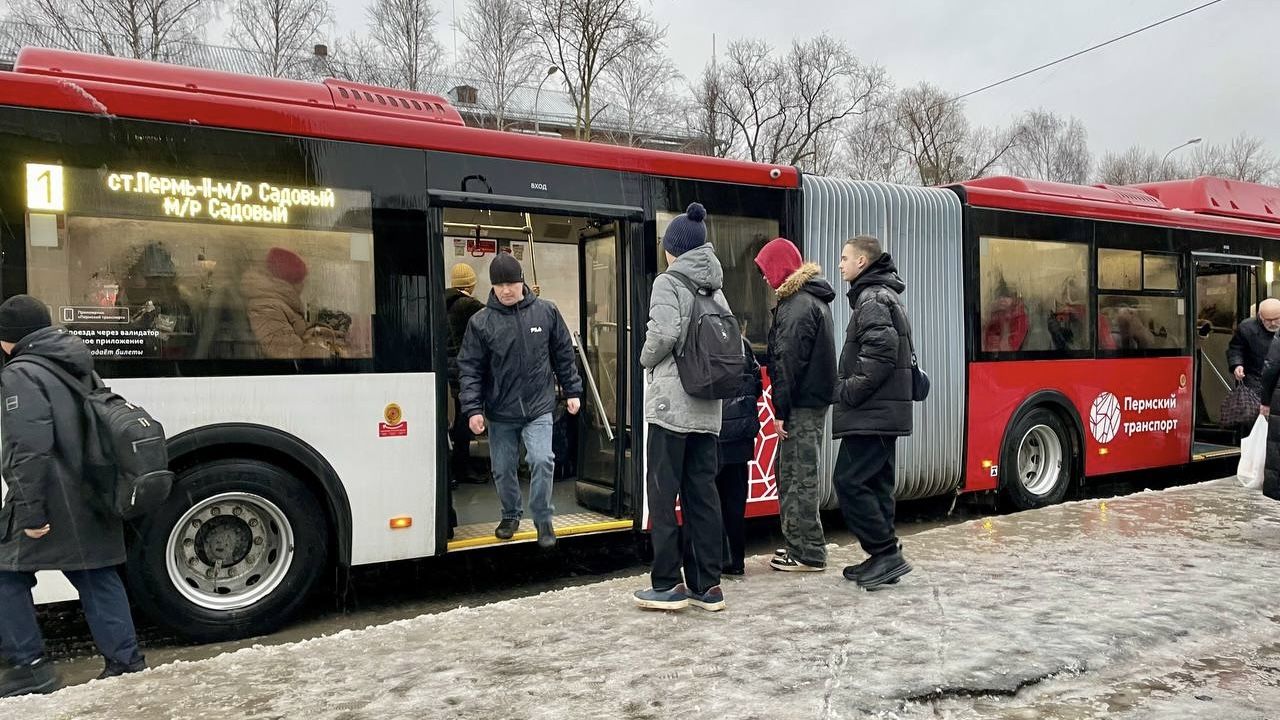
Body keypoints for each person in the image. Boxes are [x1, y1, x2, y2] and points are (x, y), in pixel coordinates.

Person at [0, 295, 146, 697]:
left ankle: (29, 667)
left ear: (8, 338)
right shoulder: (77, 363)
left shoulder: (21, 373)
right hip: (92, 491)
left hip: (54, 497)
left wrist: (30, 514)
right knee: (95, 572)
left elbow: (26, 449)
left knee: (4, 574)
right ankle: (127, 663)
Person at [633, 202, 729, 612]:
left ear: (674, 249)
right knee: (702, 496)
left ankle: (667, 583)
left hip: (672, 408)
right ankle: (708, 586)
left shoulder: (668, 283)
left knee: (663, 495)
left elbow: (665, 332)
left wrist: (644, 358)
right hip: (708, 410)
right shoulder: (716, 286)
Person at [457, 254, 582, 548]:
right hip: (500, 411)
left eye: (511, 283)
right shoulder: (481, 322)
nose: (506, 290)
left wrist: (572, 390)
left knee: (542, 459)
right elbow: (470, 368)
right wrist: (473, 409)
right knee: (502, 468)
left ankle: (542, 517)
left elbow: (563, 353)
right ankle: (511, 514)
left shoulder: (546, 313)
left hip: (539, 407)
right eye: (499, 284)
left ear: (522, 281)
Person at [831, 235, 915, 590]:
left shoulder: (872, 298)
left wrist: (846, 391)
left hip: (872, 413)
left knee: (848, 481)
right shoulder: (882, 295)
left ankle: (885, 553)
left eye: (845, 257)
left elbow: (880, 355)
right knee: (877, 483)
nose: (840, 264)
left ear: (862, 263)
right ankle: (884, 556)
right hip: (883, 413)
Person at [753, 237, 837, 573]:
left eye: (765, 269)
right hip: (809, 404)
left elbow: (787, 365)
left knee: (797, 476)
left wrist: (780, 413)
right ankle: (800, 546)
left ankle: (807, 552)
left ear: (779, 268)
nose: (763, 277)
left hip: (799, 407)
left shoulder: (796, 306)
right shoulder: (809, 301)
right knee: (795, 473)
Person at [716, 334, 762, 576]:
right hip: (741, 433)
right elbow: (757, 385)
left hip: (714, 432)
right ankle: (736, 561)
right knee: (734, 500)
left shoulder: (702, 339)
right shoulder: (742, 342)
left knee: (711, 498)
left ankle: (716, 560)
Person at [241, 247, 337, 359]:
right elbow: (289, 354)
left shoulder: (281, 302)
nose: (304, 285)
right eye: (301, 280)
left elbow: (294, 335)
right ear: (290, 281)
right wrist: (333, 356)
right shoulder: (266, 308)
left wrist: (314, 333)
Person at [444, 263, 486, 485]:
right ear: (471, 283)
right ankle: (462, 467)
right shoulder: (467, 305)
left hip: (448, 366)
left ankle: (455, 467)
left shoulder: (444, 301)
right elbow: (496, 315)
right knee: (465, 418)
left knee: (458, 415)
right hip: (463, 368)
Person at [1229, 298, 1280, 395]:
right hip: (1255, 380)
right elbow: (1236, 349)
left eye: (1276, 319)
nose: (1273, 323)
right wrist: (1237, 365)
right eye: (1268, 320)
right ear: (1260, 316)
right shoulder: (1246, 327)